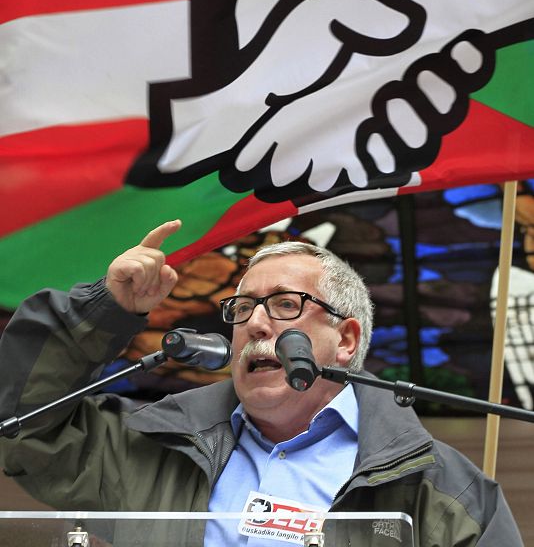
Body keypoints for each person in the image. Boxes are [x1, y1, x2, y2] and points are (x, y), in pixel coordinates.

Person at [0, 220, 524, 546]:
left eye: (286, 305)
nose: (254, 323)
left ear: (345, 340)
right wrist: (104, 312)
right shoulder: (148, 446)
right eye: (244, 307)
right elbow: (19, 425)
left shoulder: (445, 493)